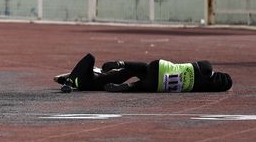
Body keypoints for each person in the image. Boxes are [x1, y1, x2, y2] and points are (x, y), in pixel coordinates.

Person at [54, 53, 233, 93]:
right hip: (157, 86)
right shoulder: (203, 89)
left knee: (140, 69)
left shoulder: (207, 68)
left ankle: (69, 82)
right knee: (136, 81)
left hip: (160, 69)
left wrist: (68, 81)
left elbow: (87, 61)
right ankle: (129, 87)